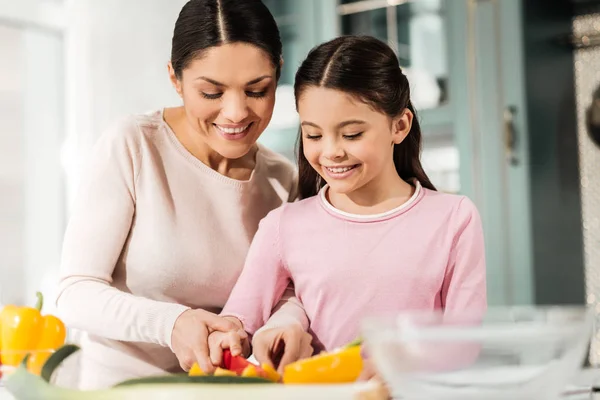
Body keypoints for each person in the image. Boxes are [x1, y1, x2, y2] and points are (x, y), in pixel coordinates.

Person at [55, 0, 312, 389]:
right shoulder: (135, 146)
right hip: (121, 391)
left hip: (224, 390)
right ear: (175, 79)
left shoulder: (283, 180)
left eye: (257, 90)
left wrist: (286, 324)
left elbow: (286, 293)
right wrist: (172, 323)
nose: (236, 112)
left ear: (277, 72)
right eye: (211, 92)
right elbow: (75, 293)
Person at [207, 35, 487, 367]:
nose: (331, 151)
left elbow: (464, 341)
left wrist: (400, 370)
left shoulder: (454, 218)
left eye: (352, 134)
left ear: (399, 126)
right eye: (313, 134)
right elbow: (239, 320)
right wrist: (231, 336)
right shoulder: (285, 225)